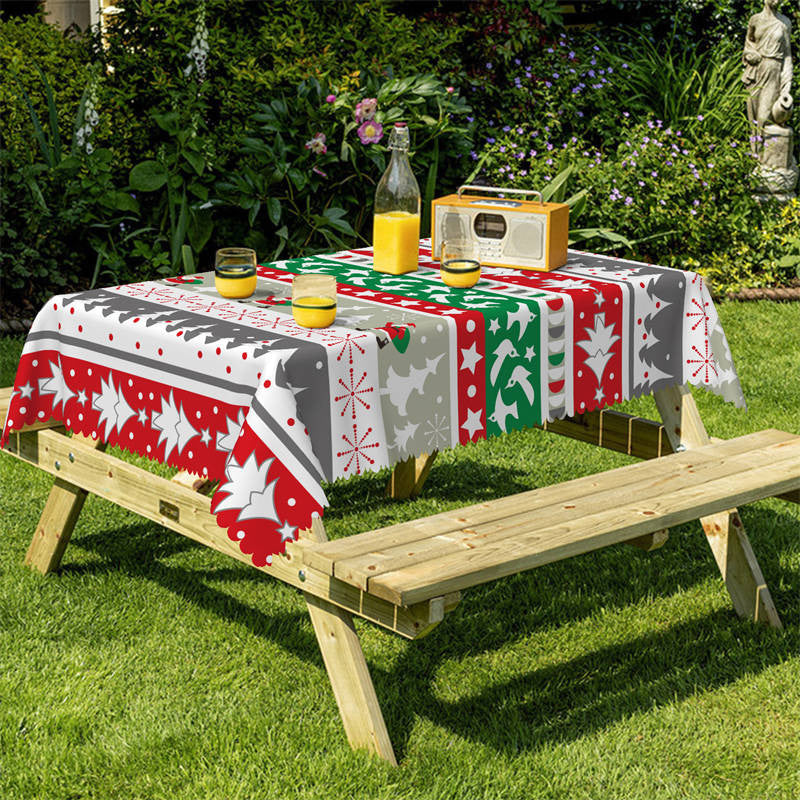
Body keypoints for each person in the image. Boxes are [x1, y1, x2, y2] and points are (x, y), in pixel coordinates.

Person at [742, 0, 793, 139]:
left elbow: (787, 56)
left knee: (763, 117)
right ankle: (755, 156)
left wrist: (786, 85)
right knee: (752, 117)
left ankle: (766, 155)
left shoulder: (785, 22)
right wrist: (749, 54)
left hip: (773, 72)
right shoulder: (755, 20)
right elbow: (748, 45)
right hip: (755, 71)